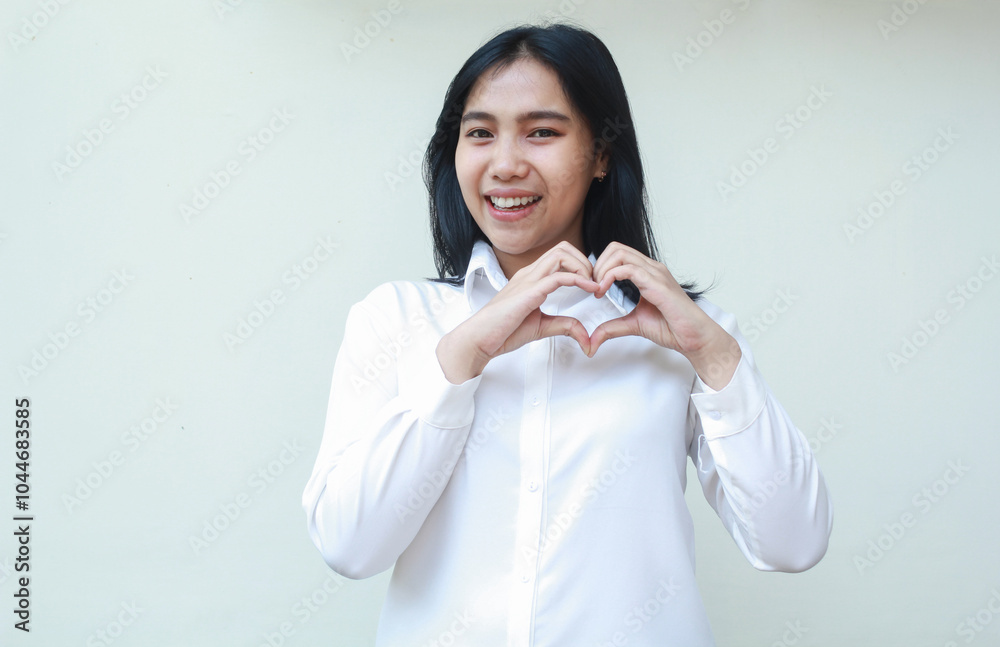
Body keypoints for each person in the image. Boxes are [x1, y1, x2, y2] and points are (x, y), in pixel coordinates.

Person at [302, 22, 832, 646]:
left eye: (542, 132)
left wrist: (717, 359)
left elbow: (793, 542)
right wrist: (461, 357)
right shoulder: (396, 319)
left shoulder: (683, 333)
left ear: (602, 153)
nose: (505, 164)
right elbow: (348, 545)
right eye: (479, 133)